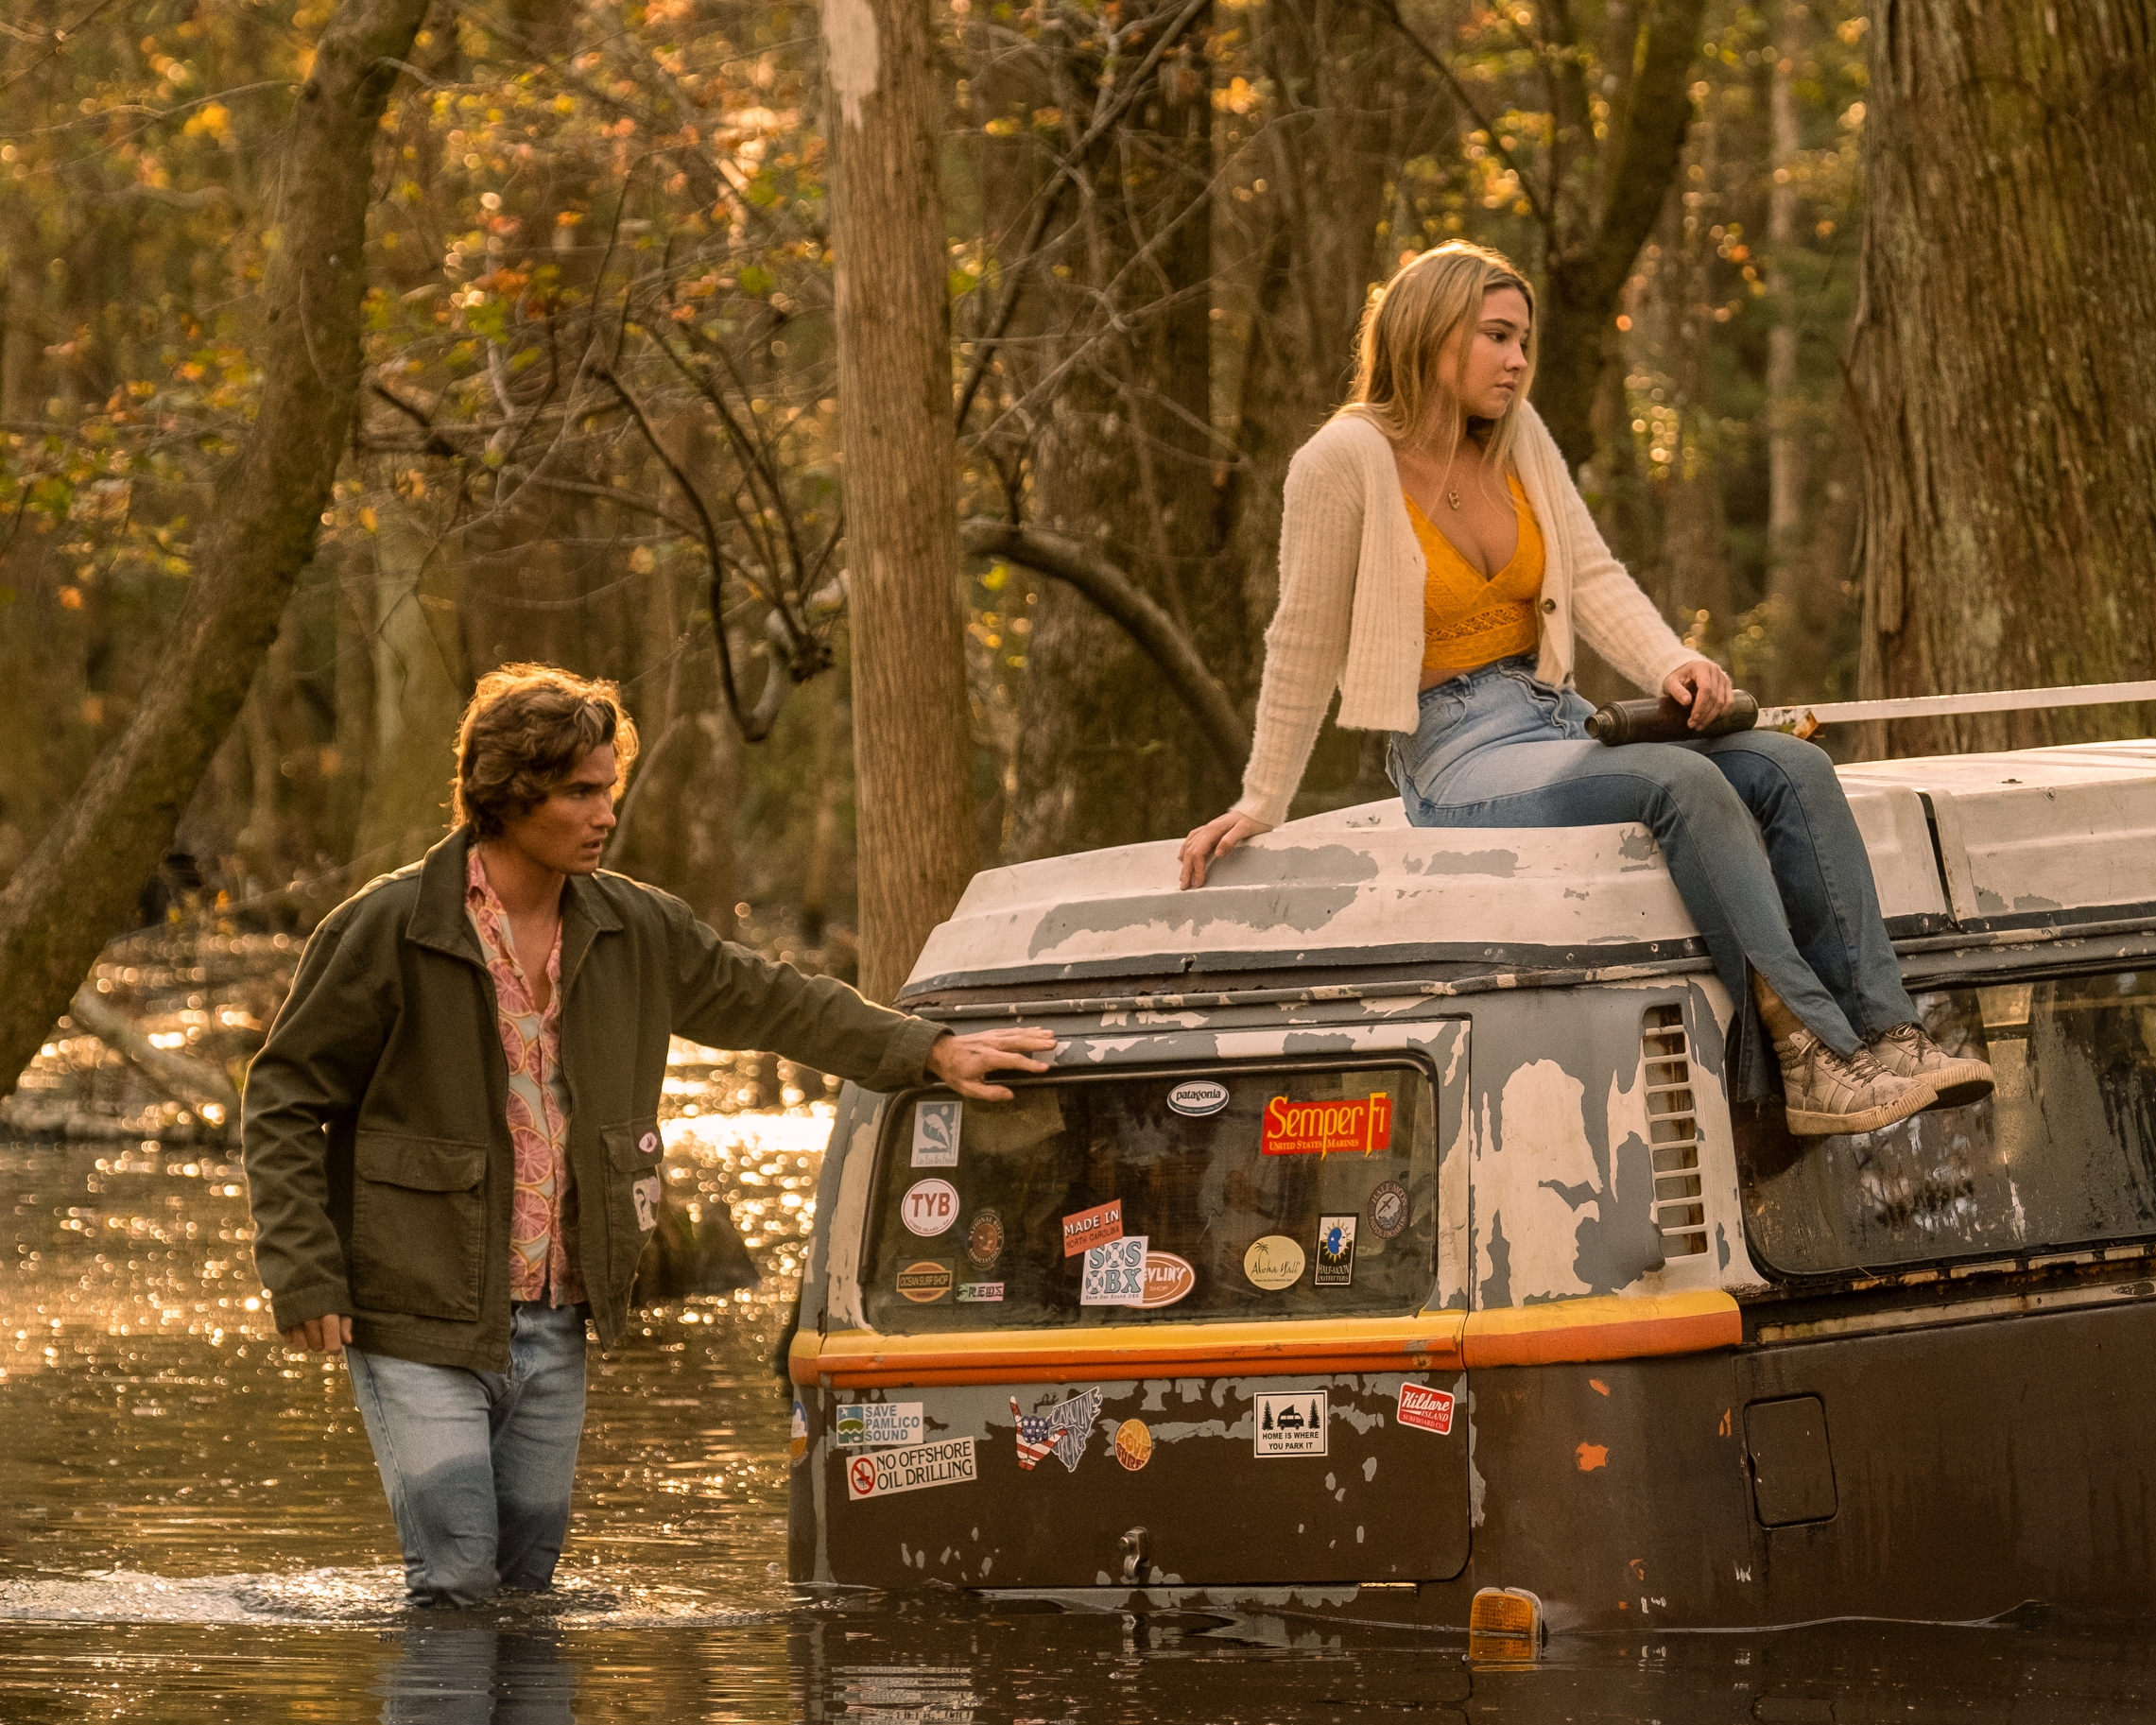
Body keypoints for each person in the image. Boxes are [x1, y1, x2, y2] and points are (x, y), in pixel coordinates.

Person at [245, 664, 1057, 1607]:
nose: (604, 815)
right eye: (580, 793)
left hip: (558, 1314)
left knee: (526, 1584)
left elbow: (775, 999)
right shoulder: (392, 925)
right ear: (509, 796)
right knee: (459, 1578)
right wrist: (305, 1274)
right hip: (414, 1310)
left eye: (610, 793)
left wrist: (930, 1050)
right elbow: (282, 1095)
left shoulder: (634, 926)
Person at [1171, 239, 1988, 1139]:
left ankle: (1890, 1033)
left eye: (1524, 339)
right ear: (1429, 334)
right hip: (1455, 753)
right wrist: (1261, 798)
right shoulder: (1341, 460)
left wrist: (1671, 663)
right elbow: (1301, 634)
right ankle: (1812, 1060)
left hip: (1552, 715)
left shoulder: (1520, 439)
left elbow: (1591, 576)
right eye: (1496, 336)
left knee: (1790, 767)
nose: (1518, 359)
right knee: (1681, 782)